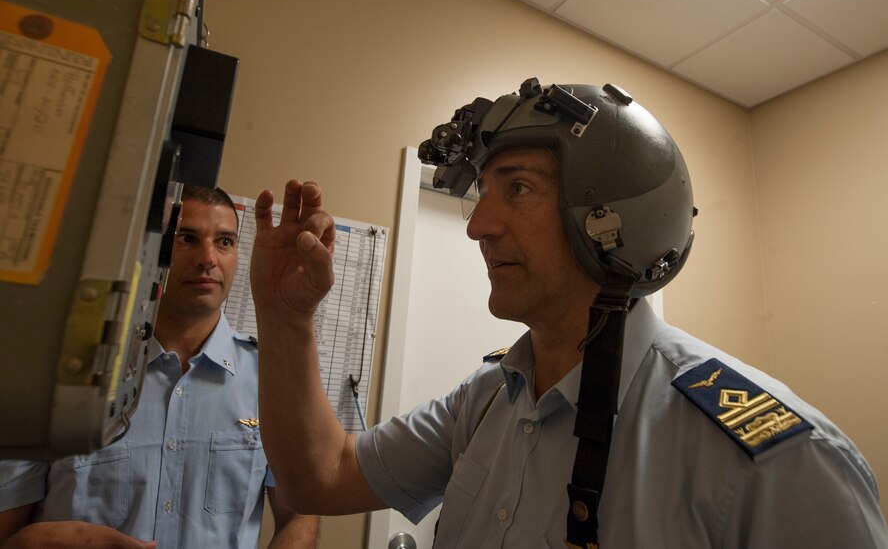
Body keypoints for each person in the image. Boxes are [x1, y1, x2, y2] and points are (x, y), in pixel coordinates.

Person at [248, 79, 888, 548]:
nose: (478, 226)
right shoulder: (485, 404)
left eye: (517, 189)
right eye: (481, 194)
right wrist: (285, 318)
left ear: (612, 224)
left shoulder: (779, 463)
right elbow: (320, 479)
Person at [0, 186, 318, 549]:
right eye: (187, 238)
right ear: (153, 250)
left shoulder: (270, 379)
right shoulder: (63, 374)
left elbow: (300, 516)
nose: (208, 258)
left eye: (225, 242)